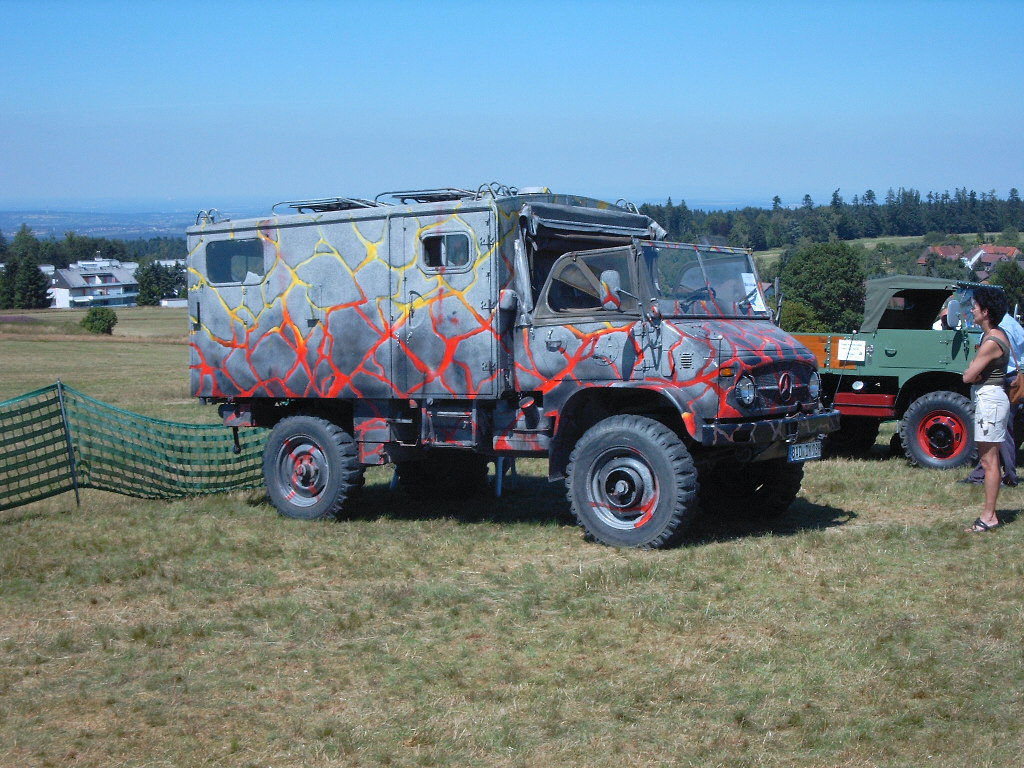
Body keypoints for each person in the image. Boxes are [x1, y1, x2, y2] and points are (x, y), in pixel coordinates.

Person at [961, 286, 1012, 532]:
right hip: (990, 399)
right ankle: (989, 513)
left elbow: (968, 375)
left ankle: (989, 516)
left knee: (989, 461)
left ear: (986, 311)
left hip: (990, 400)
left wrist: (974, 369)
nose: (972, 310)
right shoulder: (995, 335)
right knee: (989, 459)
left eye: (976, 307)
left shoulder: (992, 340)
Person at [961, 309, 1024, 487]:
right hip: (1012, 377)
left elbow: (970, 373)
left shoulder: (997, 331)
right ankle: (983, 474)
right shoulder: (1013, 324)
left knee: (1001, 433)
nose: (972, 310)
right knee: (1001, 432)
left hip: (1004, 380)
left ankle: (1009, 476)